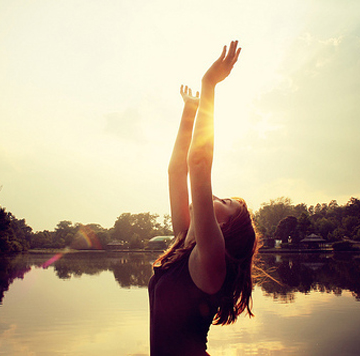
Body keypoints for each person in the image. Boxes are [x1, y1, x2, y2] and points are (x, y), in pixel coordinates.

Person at [148, 41, 258, 356]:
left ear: (223, 227)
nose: (214, 196)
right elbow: (175, 172)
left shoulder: (211, 260)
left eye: (224, 203)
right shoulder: (185, 242)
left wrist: (208, 85)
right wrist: (189, 111)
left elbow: (197, 165)